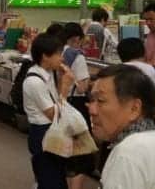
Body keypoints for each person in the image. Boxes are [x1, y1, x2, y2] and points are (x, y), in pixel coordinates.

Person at [88, 65, 155, 189]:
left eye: (101, 100)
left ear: (134, 108)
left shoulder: (127, 153)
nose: (92, 109)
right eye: (92, 99)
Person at [22, 34, 73, 189]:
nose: (61, 59)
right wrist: (65, 87)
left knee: (56, 176)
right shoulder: (34, 81)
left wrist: (61, 81)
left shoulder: (49, 73)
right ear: (45, 56)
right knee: (50, 179)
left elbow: (56, 101)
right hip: (43, 133)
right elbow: (54, 114)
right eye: (58, 54)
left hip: (52, 131)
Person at [61, 22, 95, 189]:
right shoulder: (77, 56)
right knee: (80, 153)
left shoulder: (58, 52)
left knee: (64, 149)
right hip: (76, 105)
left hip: (61, 103)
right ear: (76, 38)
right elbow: (82, 87)